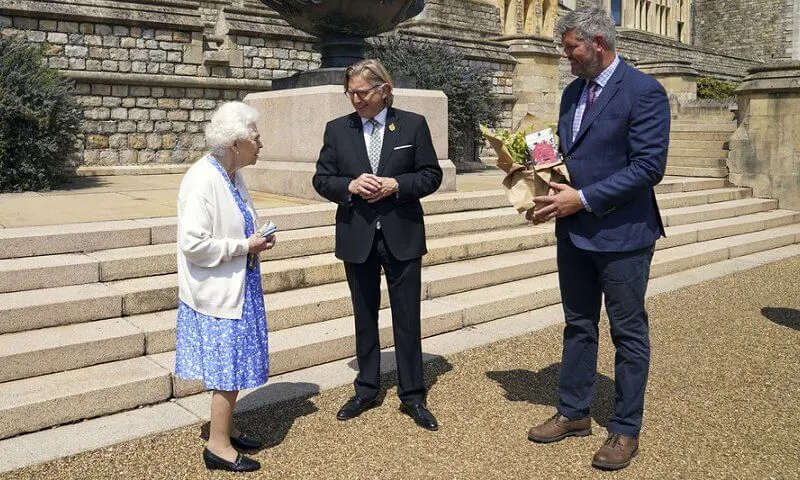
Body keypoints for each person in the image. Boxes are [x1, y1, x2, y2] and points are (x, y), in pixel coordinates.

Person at [525, 7, 670, 471]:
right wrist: (538, 183)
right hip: (574, 233)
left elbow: (649, 168)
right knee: (578, 325)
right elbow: (569, 156)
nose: (565, 56)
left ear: (598, 45)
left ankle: (625, 428)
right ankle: (574, 412)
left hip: (623, 234)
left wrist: (582, 198)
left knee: (627, 335)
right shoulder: (572, 93)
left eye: (571, 48)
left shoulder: (644, 92)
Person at [312, 59, 443, 431]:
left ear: (384, 89)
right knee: (364, 316)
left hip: (402, 234)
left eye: (362, 92)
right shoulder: (337, 130)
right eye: (349, 93)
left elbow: (430, 175)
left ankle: (413, 395)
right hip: (358, 235)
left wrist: (397, 185)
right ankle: (366, 389)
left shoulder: (413, 124)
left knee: (407, 318)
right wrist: (349, 187)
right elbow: (322, 179)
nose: (355, 99)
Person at [174, 101, 276, 472]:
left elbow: (235, 224)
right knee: (227, 369)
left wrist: (256, 238)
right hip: (217, 292)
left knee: (232, 366)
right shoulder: (202, 179)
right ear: (236, 143)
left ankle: (226, 429)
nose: (260, 142)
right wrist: (244, 246)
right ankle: (218, 447)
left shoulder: (231, 174)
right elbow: (194, 244)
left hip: (237, 284)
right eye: (255, 135)